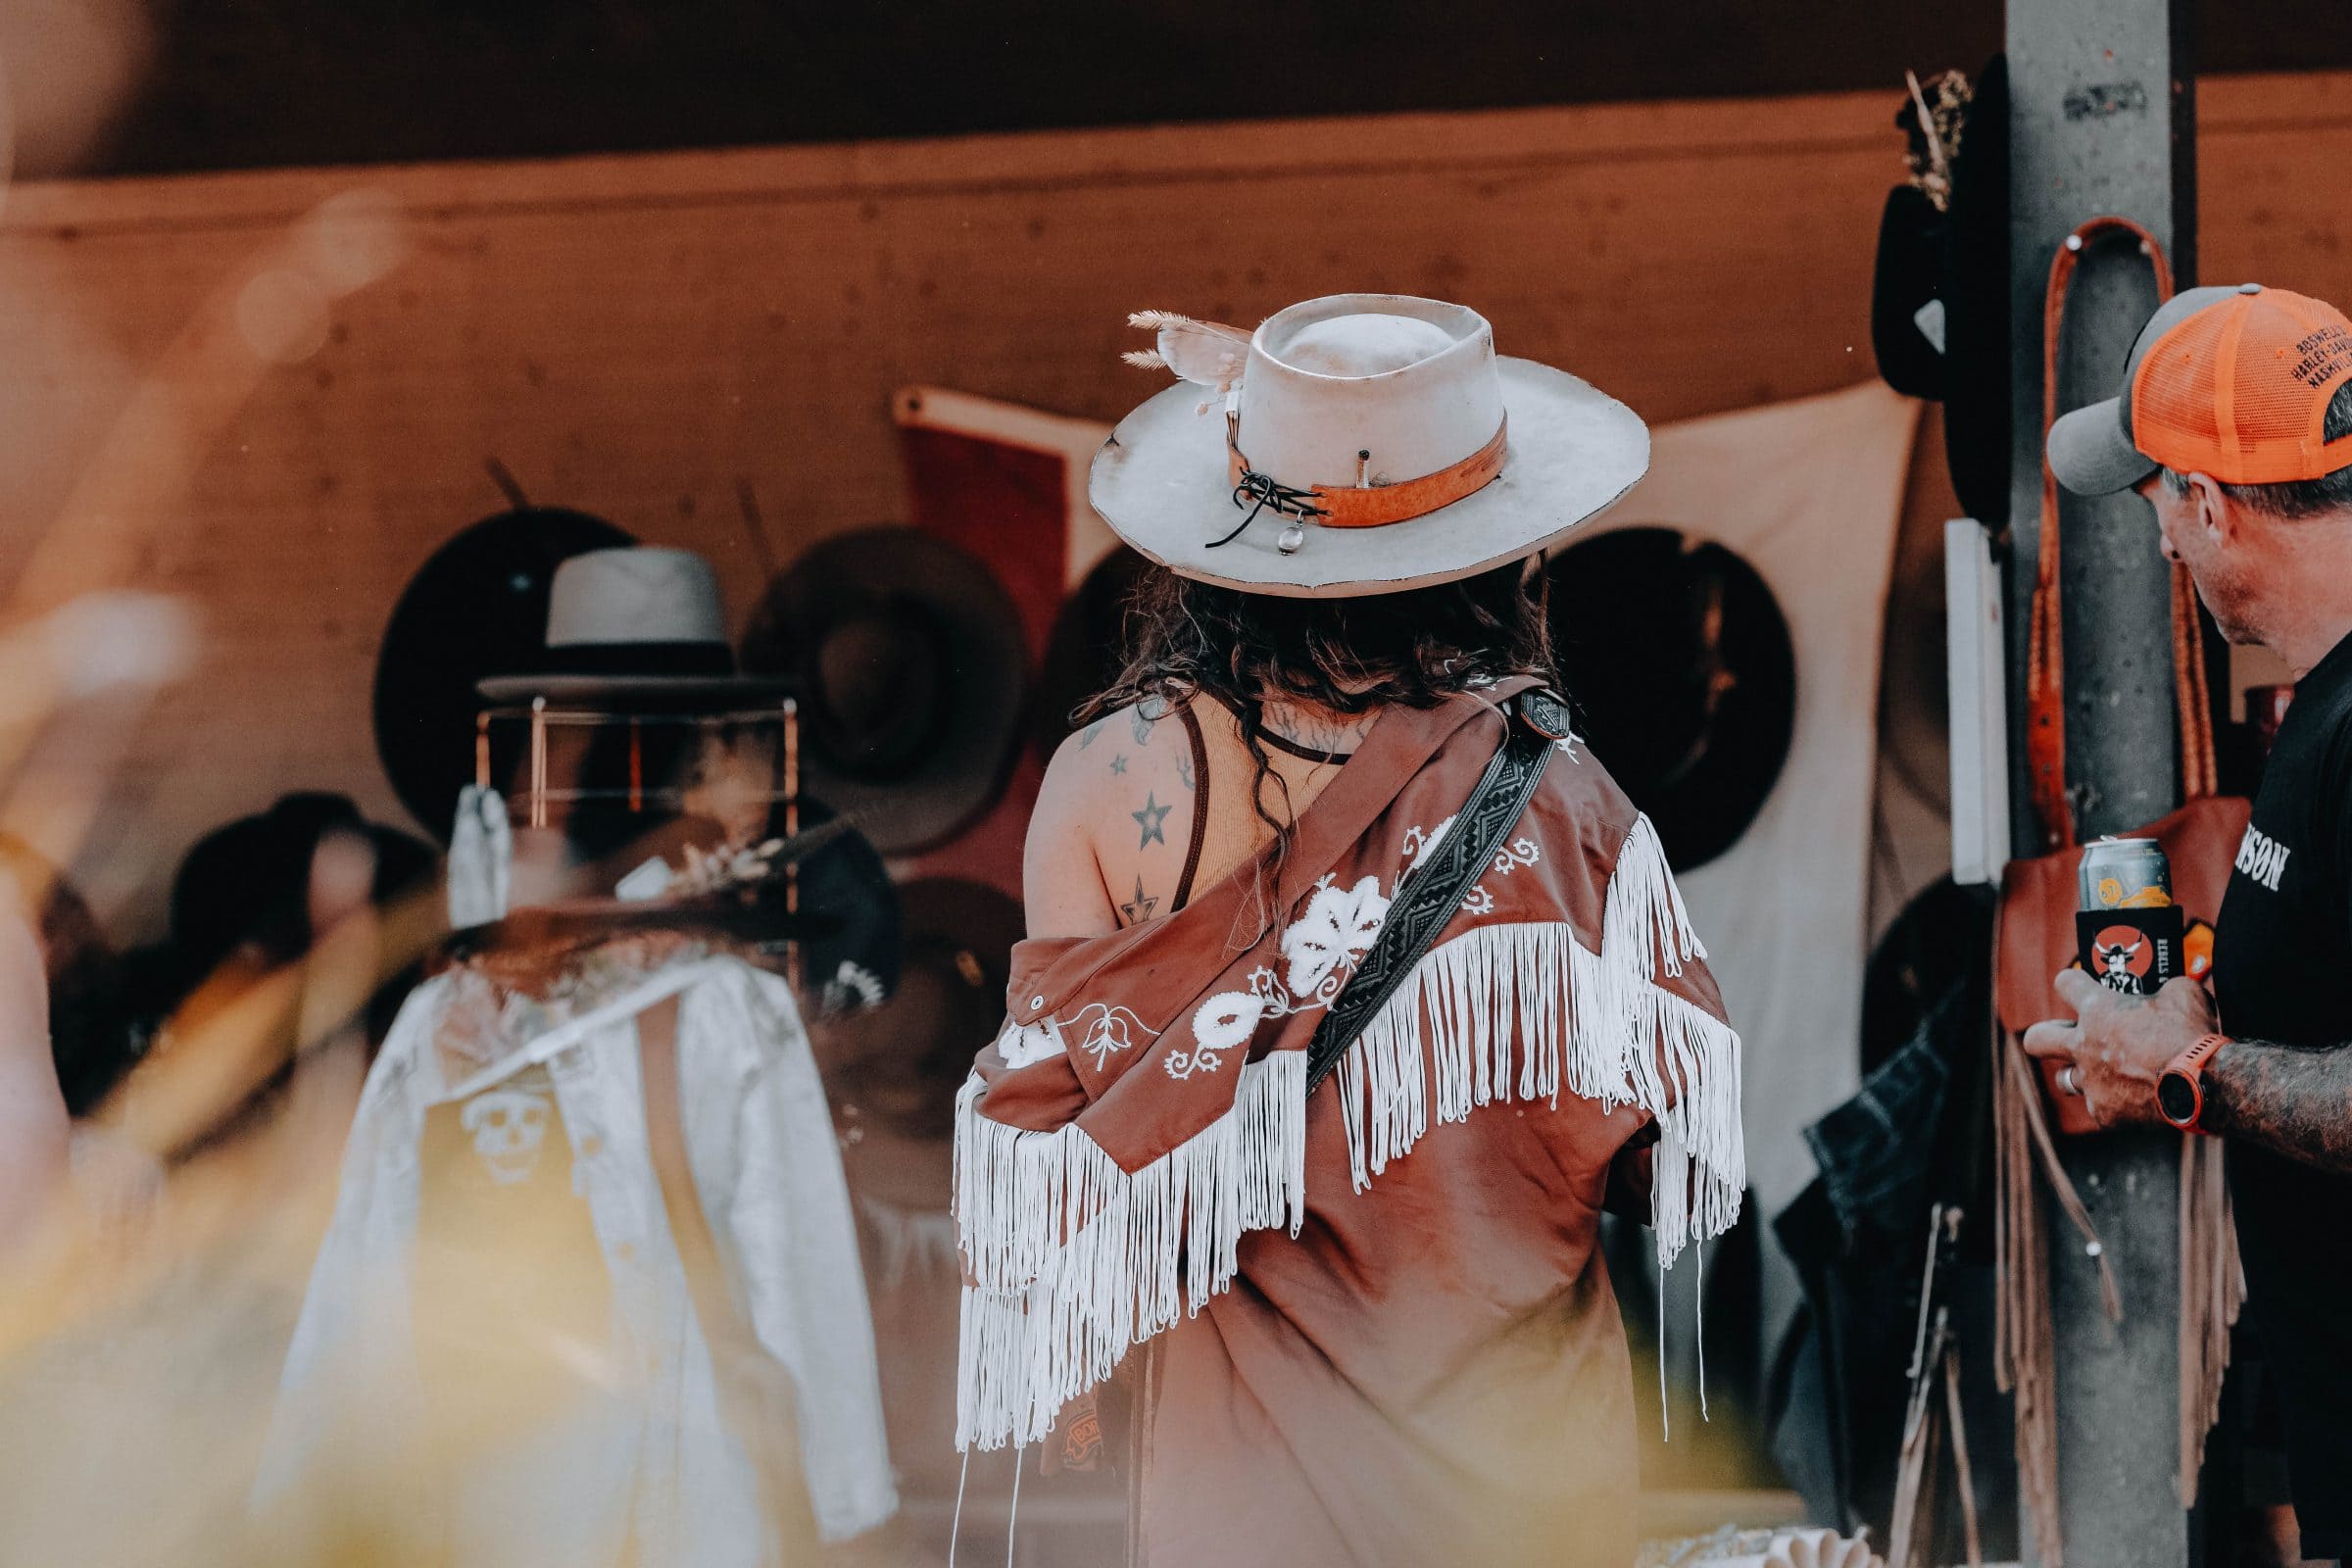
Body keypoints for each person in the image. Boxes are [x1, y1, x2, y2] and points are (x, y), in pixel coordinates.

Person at [955, 295, 1747, 1566]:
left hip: (1244, 1502)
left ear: (1230, 545)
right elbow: (1687, 1167)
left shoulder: (1108, 786)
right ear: (1499, 552)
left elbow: (1056, 1171)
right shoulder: (1565, 795)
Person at [2025, 283, 2352, 1562]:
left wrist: (2192, 1072)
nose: (2160, 541)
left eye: (2159, 500)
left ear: (2209, 504)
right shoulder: (2319, 710)